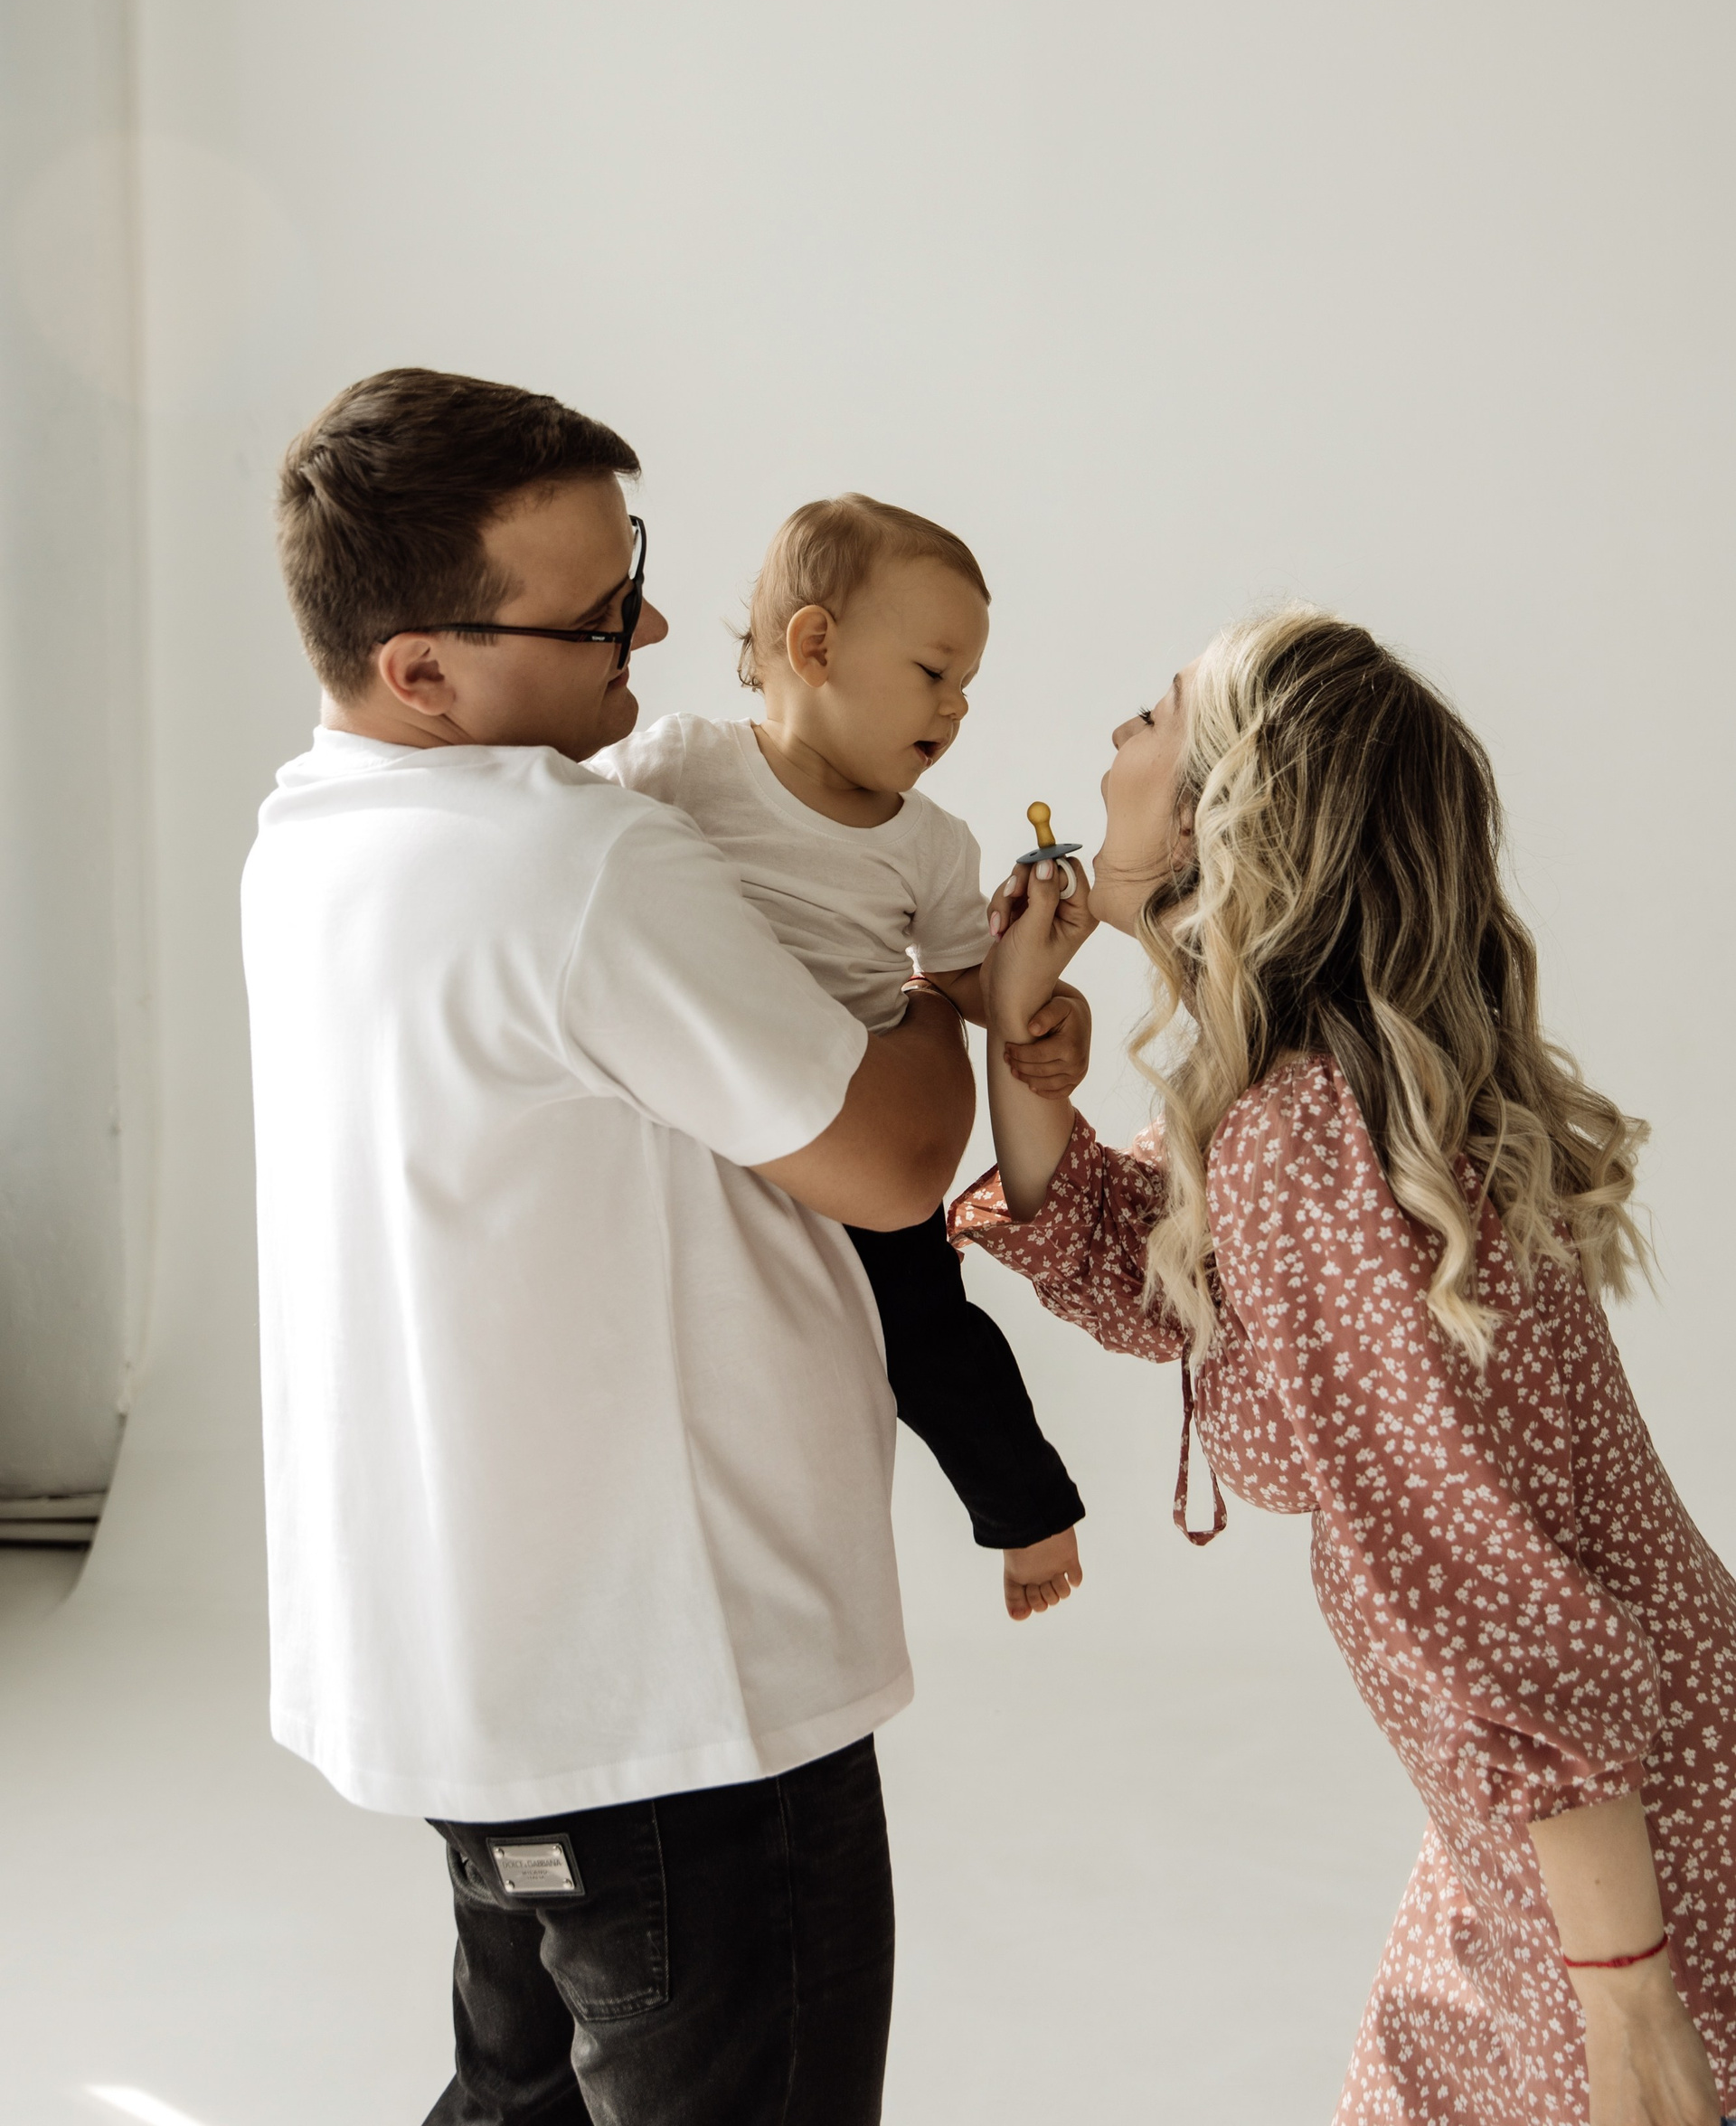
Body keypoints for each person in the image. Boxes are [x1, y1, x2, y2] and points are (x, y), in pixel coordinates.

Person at [241, 368, 977, 2126]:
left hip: (487, 1694)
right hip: (684, 1711)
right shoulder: (577, 864)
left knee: (517, 2100)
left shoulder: (312, 833)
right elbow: (892, 1163)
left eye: (631, 568)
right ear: (421, 669)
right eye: (592, 613)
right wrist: (942, 990)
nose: (648, 624)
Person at [951, 605, 1736, 2126]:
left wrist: (1632, 2001)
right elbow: (1158, 1283)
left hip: (1625, 1836)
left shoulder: (1315, 1142)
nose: (1114, 739)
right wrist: (1019, 1038)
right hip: (1574, 1806)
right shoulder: (1309, 1108)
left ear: (1230, 820)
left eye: (1154, 716)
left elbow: (1487, 1584)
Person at [592, 493, 1086, 1620]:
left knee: (933, 1337)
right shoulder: (680, 765)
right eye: (935, 672)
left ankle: (1027, 1511)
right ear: (814, 647)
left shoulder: (930, 843)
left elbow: (966, 981)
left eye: (968, 685)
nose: (957, 706)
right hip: (699, 1116)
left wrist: (1042, 986)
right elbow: (568, 844)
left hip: (854, 1119)